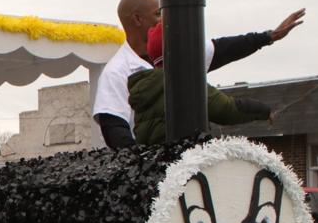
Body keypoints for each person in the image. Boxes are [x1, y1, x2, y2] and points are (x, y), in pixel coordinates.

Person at [128, 16, 303, 145]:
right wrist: (264, 110)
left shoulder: (144, 87)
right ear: (183, 53)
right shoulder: (184, 83)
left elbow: (225, 47)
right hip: (182, 162)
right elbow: (227, 109)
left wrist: (267, 37)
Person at [92, 0, 160, 148]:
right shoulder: (116, 71)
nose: (163, 20)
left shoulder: (176, 53)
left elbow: (218, 49)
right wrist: (147, 164)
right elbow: (115, 132)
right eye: (158, 14)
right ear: (137, 19)